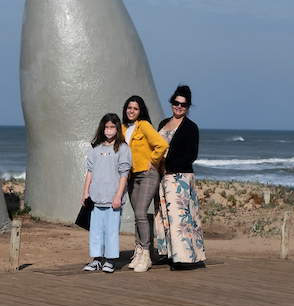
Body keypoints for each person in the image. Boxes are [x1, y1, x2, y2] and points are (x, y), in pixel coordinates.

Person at [154, 85, 206, 268]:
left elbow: (191, 155)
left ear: (188, 107)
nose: (179, 107)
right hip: (163, 178)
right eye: (176, 103)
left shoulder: (191, 128)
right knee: (164, 216)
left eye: (183, 105)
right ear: (171, 104)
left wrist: (167, 166)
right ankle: (169, 253)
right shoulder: (162, 124)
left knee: (181, 219)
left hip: (180, 178)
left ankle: (183, 257)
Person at [121, 95, 168, 272]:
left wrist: (153, 160)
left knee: (141, 213)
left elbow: (161, 145)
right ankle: (139, 250)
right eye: (129, 107)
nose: (131, 111)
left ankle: (146, 255)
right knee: (137, 215)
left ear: (140, 111)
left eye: (135, 108)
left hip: (148, 174)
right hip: (132, 176)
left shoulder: (144, 126)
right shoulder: (123, 128)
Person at [81, 112, 130, 273]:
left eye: (112, 127)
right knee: (95, 230)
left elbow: (124, 173)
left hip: (113, 199)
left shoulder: (123, 148)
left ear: (117, 128)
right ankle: (96, 259)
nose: (109, 130)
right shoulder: (95, 148)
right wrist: (85, 193)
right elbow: (90, 171)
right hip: (96, 197)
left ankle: (110, 260)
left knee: (111, 230)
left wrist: (118, 196)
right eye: (107, 127)